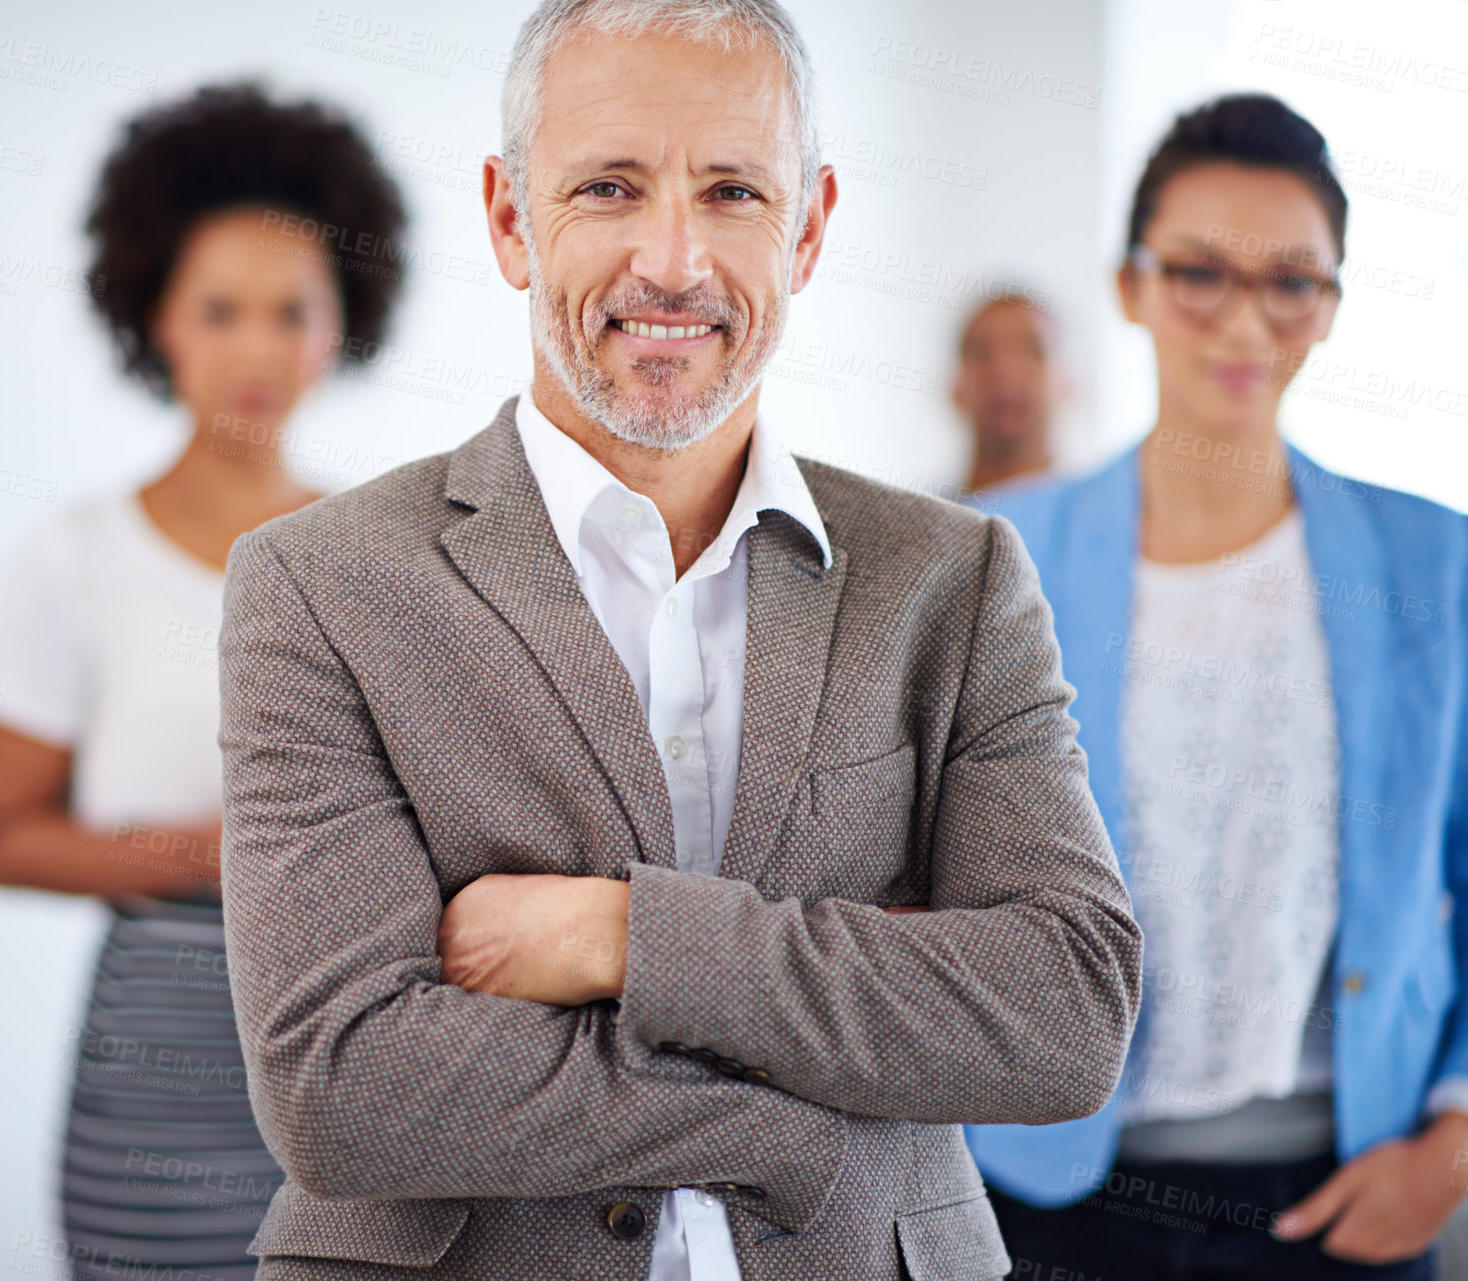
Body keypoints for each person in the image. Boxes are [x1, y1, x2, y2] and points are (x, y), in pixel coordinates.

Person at [213, 1, 1143, 1278]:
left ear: (807, 228)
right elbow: (345, 1083)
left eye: (731, 193)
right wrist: (808, 1110)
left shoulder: (953, 580)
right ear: (507, 220)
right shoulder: (318, 585)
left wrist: (617, 939)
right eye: (607, 186)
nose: (673, 261)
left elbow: (1060, 1014)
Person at [964, 93, 1468, 1280]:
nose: (1243, 321)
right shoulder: (989, 553)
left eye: (1290, 281)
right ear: (1130, 285)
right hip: (1038, 1190)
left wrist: (1454, 1143)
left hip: (1339, 1197)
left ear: (1331, 304)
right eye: (1197, 271)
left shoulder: (1431, 565)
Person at [0, 84, 406, 1281]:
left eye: (292, 311)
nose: (258, 350)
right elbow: (6, 836)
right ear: (157, 317)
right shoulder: (70, 559)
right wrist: (201, 857)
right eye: (220, 310)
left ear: (341, 326)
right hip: (152, 1061)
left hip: (350, 1049)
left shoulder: (382, 560)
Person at [951, 287, 1068, 493]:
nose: (1006, 367)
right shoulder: (914, 521)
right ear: (956, 389)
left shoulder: (1108, 518)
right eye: (982, 352)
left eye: (1033, 349)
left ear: (1066, 385)